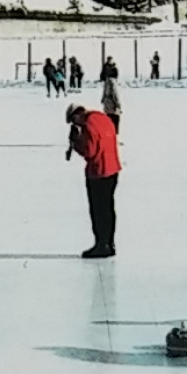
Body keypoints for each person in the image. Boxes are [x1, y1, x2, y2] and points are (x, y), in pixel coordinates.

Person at [66, 103, 121, 258]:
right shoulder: (103, 118)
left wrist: (76, 142)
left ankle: (101, 244)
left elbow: (89, 151)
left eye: (74, 121)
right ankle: (109, 242)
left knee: (98, 210)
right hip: (113, 169)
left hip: (98, 172)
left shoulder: (88, 126)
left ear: (77, 115)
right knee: (108, 208)